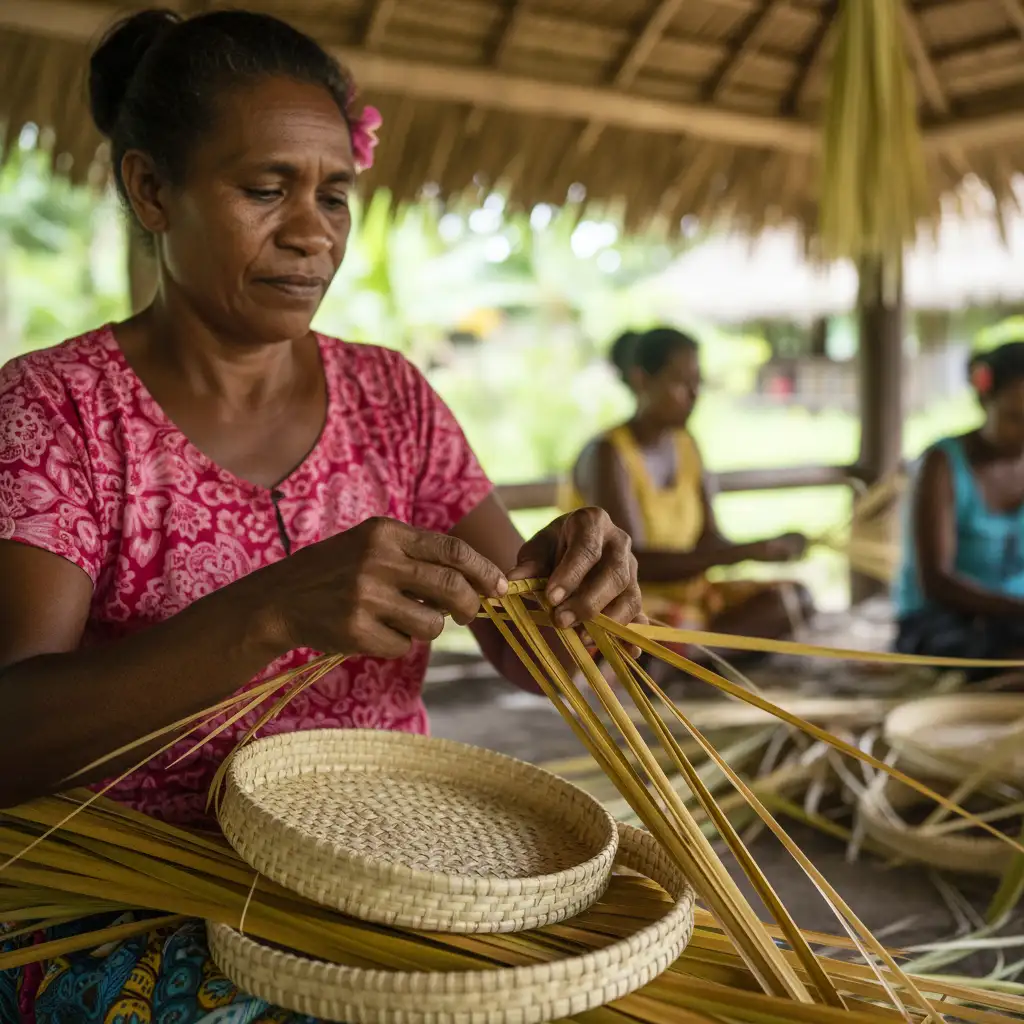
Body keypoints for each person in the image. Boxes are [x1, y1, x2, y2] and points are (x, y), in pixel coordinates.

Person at [0, 10, 642, 1022]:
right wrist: (264, 613)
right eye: (265, 189)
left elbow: (529, 651)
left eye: (334, 194)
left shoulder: (391, 396)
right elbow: (10, 738)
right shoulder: (59, 411)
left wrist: (569, 595)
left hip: (405, 876)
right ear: (150, 189)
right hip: (143, 896)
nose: (312, 231)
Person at [568, 326, 813, 645]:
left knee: (794, 599)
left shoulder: (687, 447)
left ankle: (692, 655)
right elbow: (629, 567)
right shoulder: (608, 454)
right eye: (680, 383)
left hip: (691, 602)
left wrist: (766, 548)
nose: (694, 394)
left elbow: (708, 539)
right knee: (647, 633)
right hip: (630, 607)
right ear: (643, 381)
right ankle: (699, 652)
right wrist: (743, 553)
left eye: (696, 383)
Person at [894, 342, 1024, 665]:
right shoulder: (942, 464)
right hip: (942, 619)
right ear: (984, 401)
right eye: (1015, 418)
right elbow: (937, 583)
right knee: (1005, 663)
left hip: (1014, 616)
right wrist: (1016, 608)